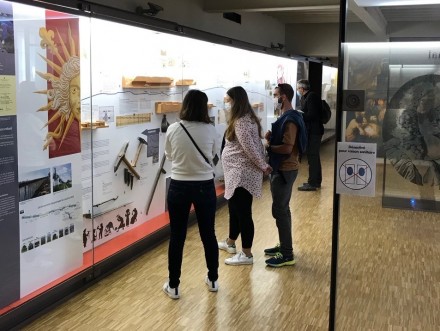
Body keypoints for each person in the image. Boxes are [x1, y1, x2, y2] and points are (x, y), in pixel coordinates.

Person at [163, 89, 219, 299]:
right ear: (204, 107)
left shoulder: (173, 129)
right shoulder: (210, 129)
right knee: (208, 234)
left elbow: (169, 155)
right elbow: (213, 154)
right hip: (205, 185)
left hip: (179, 185)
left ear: (185, 105)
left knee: (177, 236)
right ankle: (213, 279)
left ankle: (174, 285)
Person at [218, 86, 272, 265]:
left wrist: (263, 165)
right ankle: (231, 243)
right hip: (237, 173)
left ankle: (246, 254)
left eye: (228, 100)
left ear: (235, 100)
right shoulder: (248, 119)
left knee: (243, 213)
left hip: (242, 174)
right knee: (234, 210)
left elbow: (250, 148)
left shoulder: (241, 121)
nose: (226, 104)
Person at [264, 83, 307, 267]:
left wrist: (269, 146)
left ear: (284, 97)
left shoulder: (289, 120)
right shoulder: (287, 116)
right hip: (284, 168)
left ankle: (287, 254)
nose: (274, 98)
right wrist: (270, 138)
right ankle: (284, 245)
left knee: (280, 210)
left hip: (285, 168)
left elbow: (288, 147)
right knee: (282, 209)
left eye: (275, 95)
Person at [297, 79, 324, 191]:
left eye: (298, 88)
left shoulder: (311, 96)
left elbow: (311, 115)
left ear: (302, 89)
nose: (298, 90)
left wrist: (300, 115)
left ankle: (313, 183)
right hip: (313, 131)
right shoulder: (307, 97)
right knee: (314, 157)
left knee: (312, 157)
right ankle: (315, 181)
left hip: (314, 131)